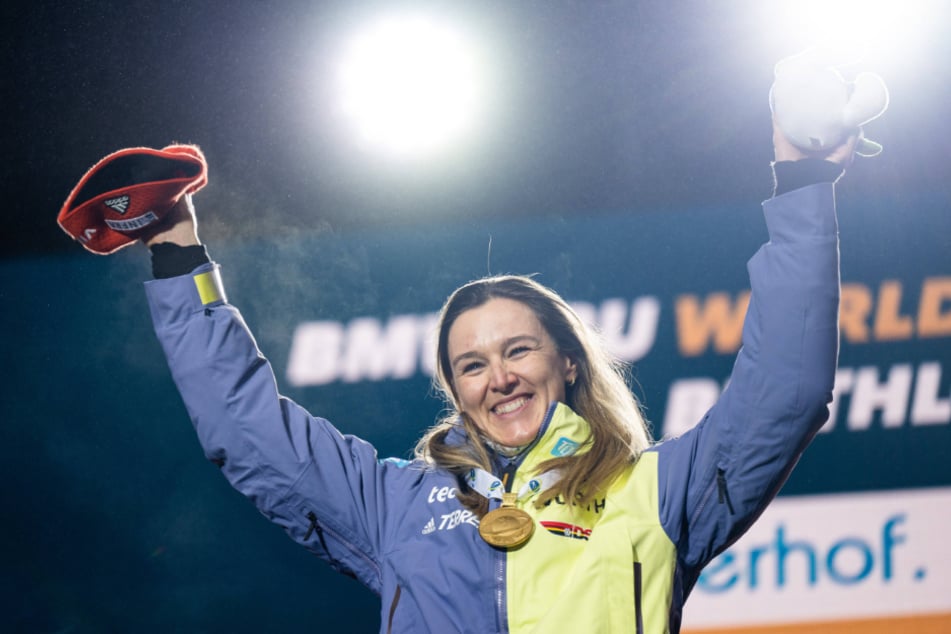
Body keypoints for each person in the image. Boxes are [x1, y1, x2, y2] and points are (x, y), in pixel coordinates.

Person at [120, 114, 857, 633]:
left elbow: (785, 389)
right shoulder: (396, 505)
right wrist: (179, 252)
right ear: (454, 390)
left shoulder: (658, 491)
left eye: (518, 350)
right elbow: (246, 429)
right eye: (470, 364)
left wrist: (802, 180)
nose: (497, 377)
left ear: (567, 363)